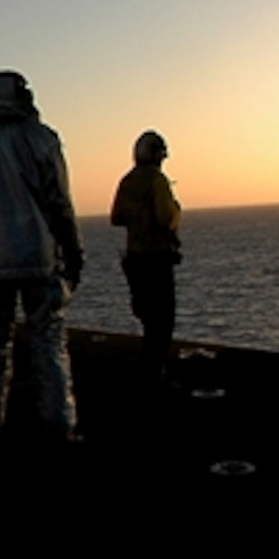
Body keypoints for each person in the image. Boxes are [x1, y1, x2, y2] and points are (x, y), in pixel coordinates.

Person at [0, 70, 84, 441]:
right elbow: (60, 203)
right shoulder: (42, 138)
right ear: (24, 96)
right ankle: (59, 426)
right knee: (49, 342)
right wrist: (73, 252)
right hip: (38, 258)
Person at [111, 130, 182, 382]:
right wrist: (175, 210)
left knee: (147, 316)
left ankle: (148, 371)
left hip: (135, 258)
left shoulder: (127, 181)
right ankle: (155, 372)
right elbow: (165, 218)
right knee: (163, 319)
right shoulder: (157, 180)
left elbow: (116, 217)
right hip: (157, 259)